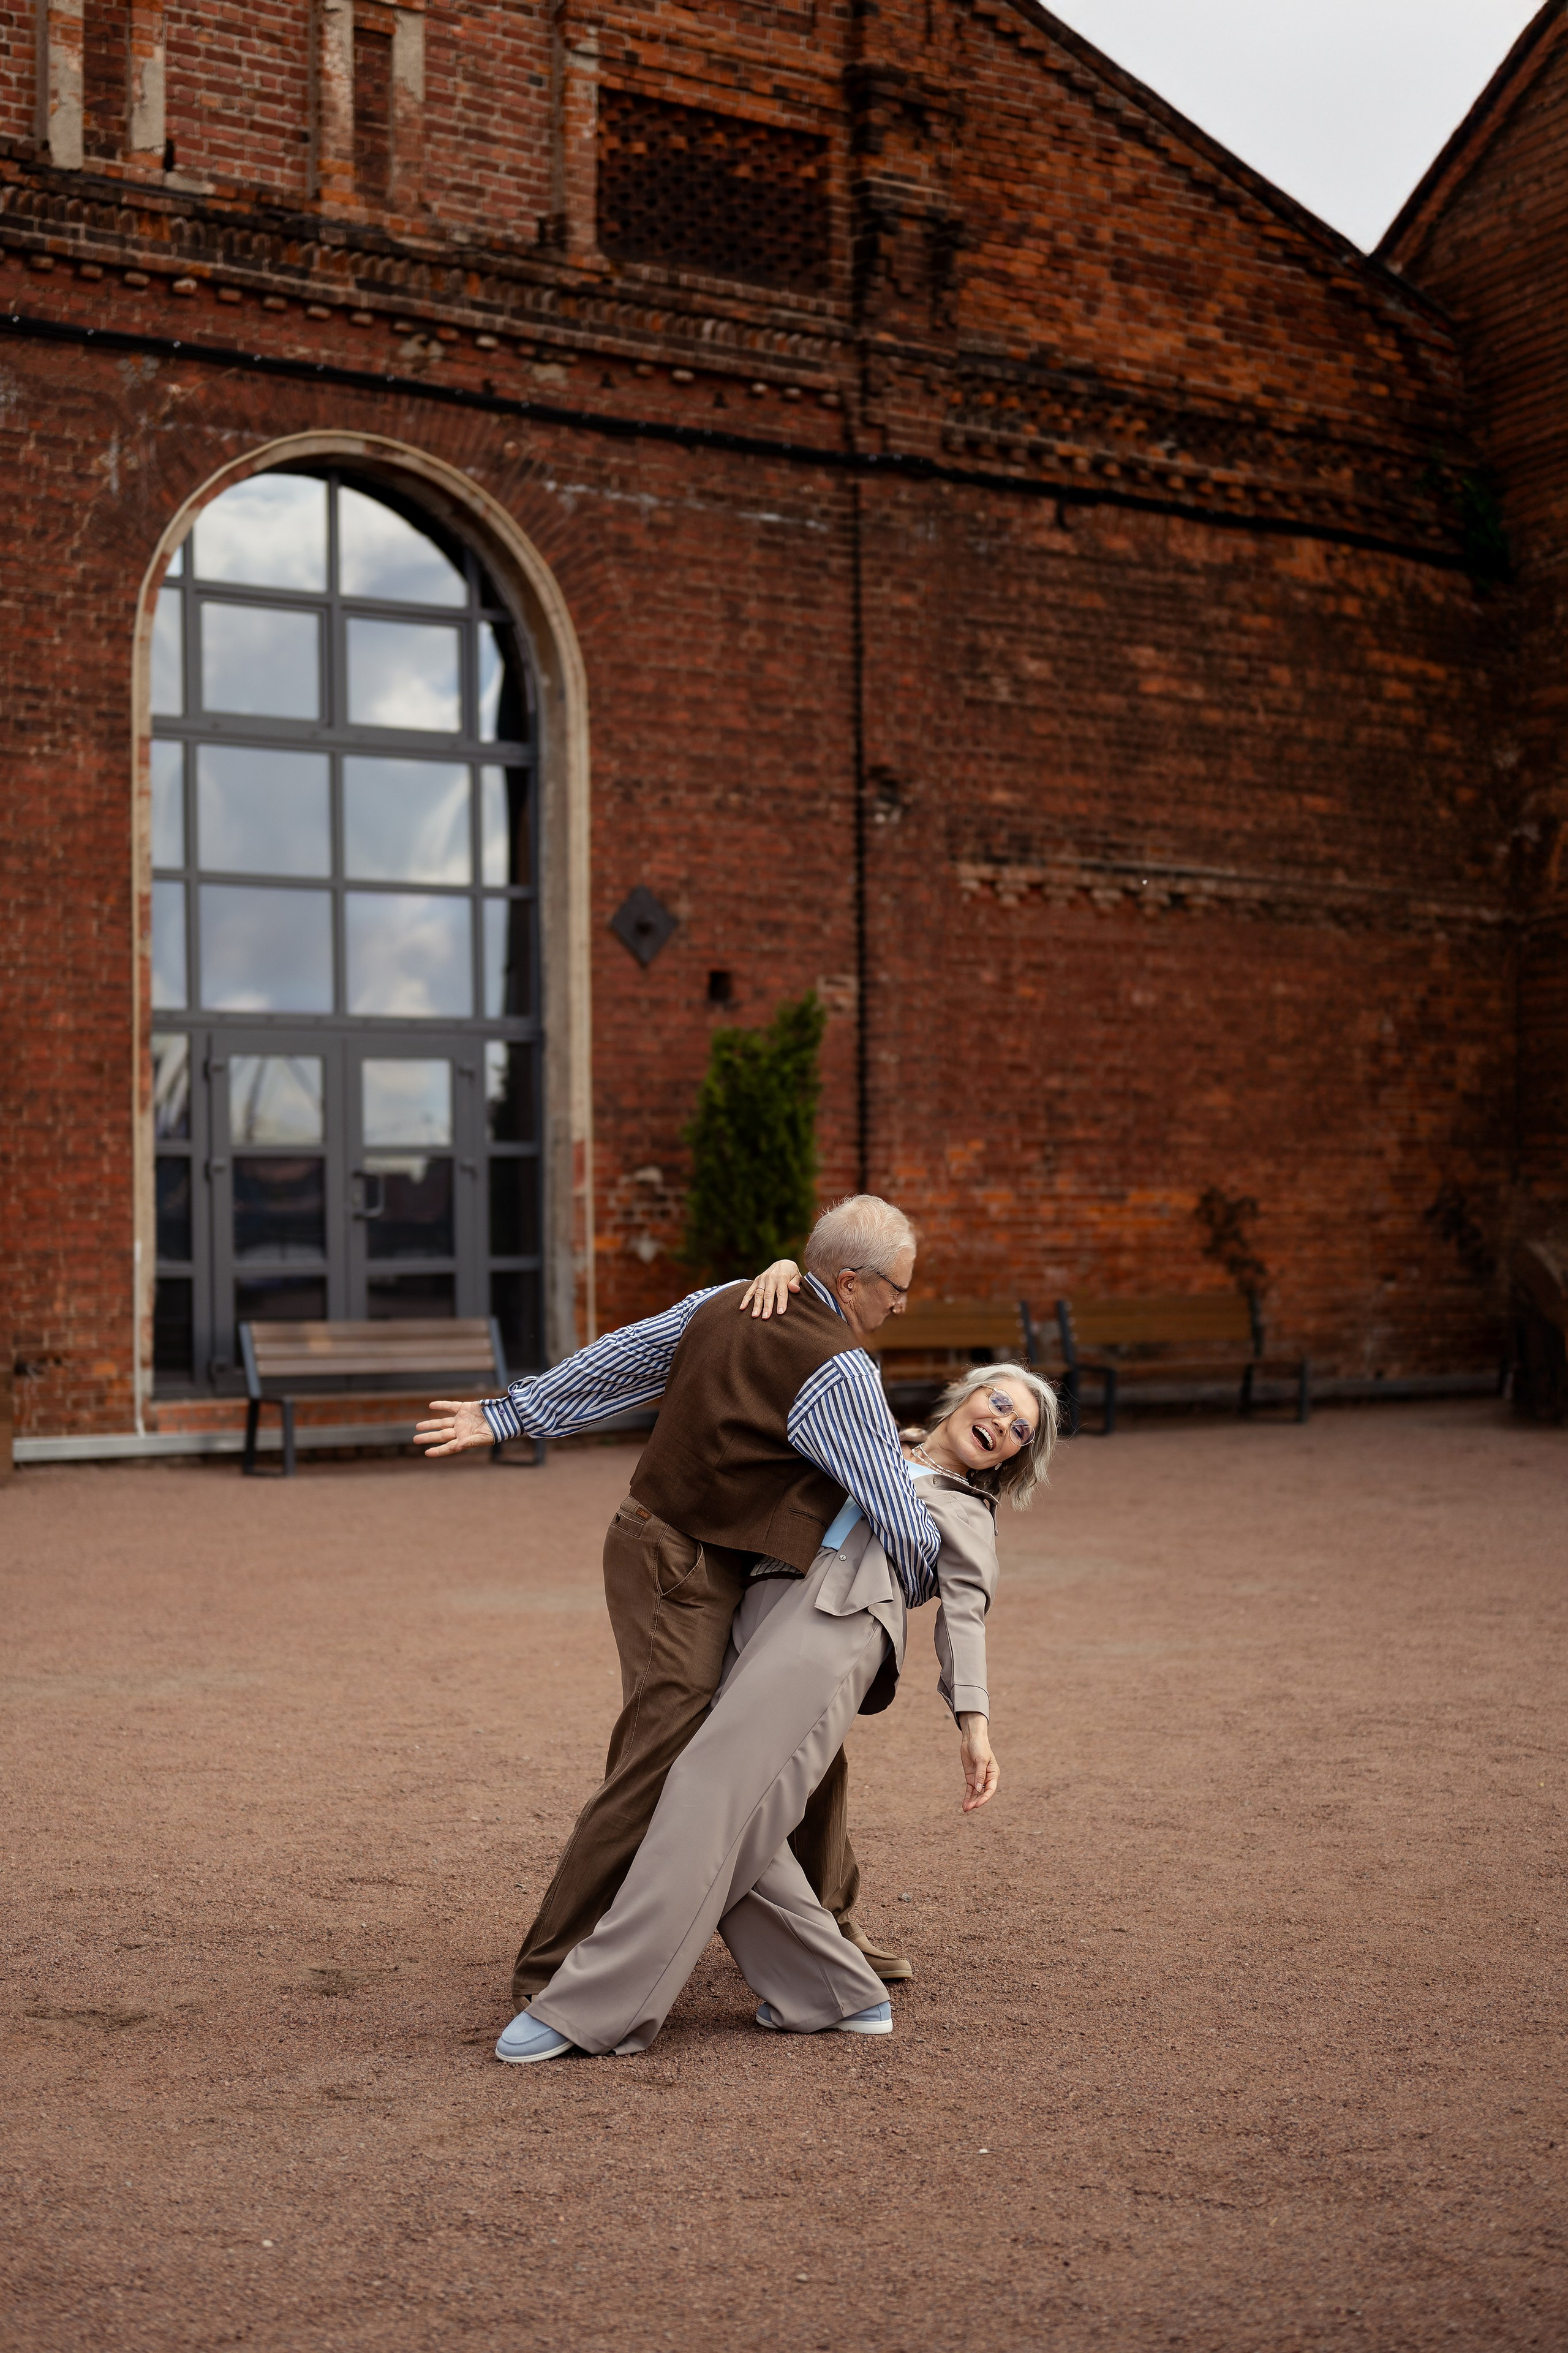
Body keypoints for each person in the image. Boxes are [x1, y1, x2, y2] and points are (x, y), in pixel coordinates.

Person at [416, 1195, 939, 2007]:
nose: (904, 1304)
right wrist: (944, 1575)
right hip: (676, 1557)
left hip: (708, 1552)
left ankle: (830, 1924)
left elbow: (624, 1357)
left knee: (807, 1735)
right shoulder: (841, 1369)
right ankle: (551, 1969)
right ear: (849, 1279)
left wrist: (510, 1414)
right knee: (662, 1752)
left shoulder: (732, 1296)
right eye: (898, 1288)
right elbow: (896, 1511)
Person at [491, 1359, 1058, 2061]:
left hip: (837, 1627)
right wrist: (790, 1269)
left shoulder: (968, 1512)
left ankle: (593, 2007)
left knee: (705, 1792)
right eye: (998, 1402)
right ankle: (833, 1992)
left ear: (1013, 1456)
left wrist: (974, 1725)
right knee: (735, 1817)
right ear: (965, 1393)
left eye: (1018, 1429)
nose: (1002, 1421)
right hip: (758, 1605)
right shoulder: (873, 1437)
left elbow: (965, 1618)